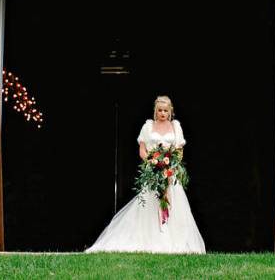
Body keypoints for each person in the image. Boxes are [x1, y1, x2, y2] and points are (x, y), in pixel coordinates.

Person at [85, 95, 206, 253]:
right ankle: (151, 238)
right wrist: (153, 162)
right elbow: (142, 150)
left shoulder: (176, 126)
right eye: (160, 110)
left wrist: (171, 164)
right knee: (150, 203)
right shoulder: (148, 126)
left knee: (174, 204)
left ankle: (172, 239)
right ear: (156, 111)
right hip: (153, 171)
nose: (162, 113)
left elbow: (179, 150)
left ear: (170, 112)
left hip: (170, 173)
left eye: (165, 110)